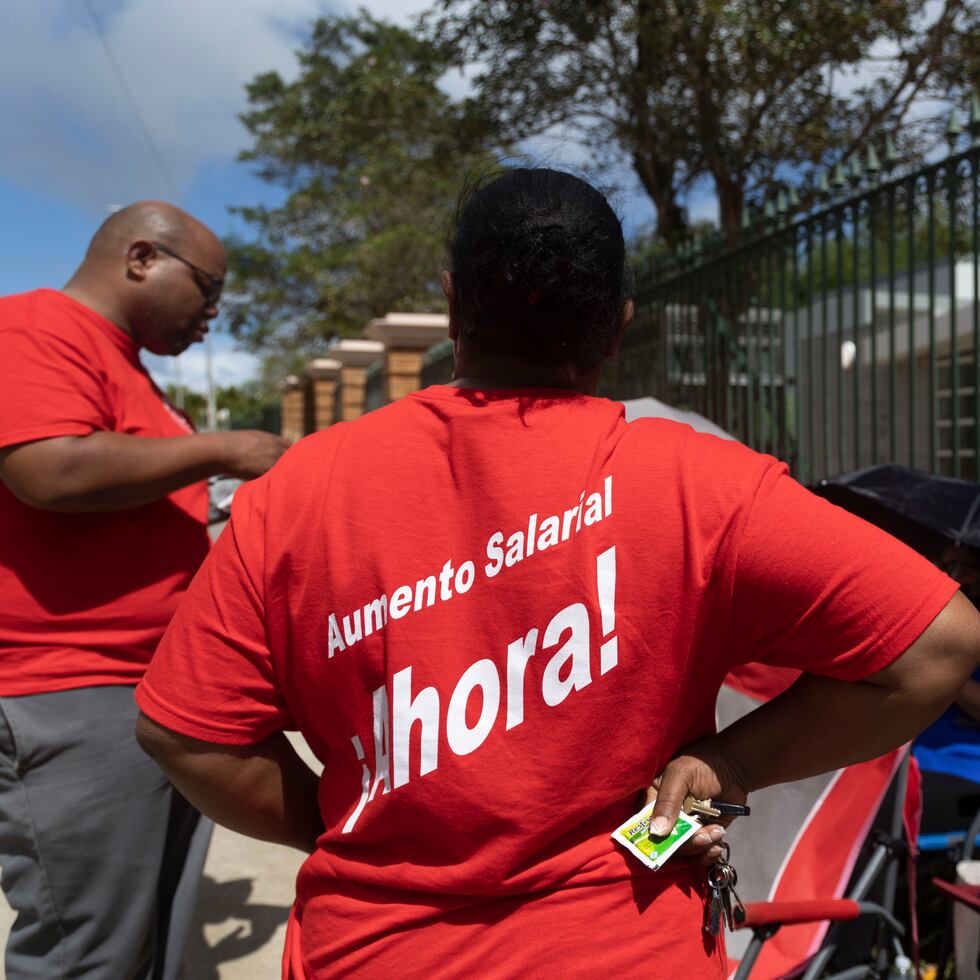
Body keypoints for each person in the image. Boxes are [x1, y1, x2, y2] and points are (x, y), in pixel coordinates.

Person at [134, 170, 980, 978]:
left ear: (453, 302)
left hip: (373, 950)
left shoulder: (299, 493)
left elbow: (184, 733)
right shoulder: (705, 486)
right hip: (629, 950)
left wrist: (343, 817)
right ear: (618, 324)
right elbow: (939, 648)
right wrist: (735, 763)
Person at [0, 202, 288, 979]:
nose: (213, 315)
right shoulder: (34, 327)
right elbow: (46, 469)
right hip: (71, 692)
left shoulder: (131, 374)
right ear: (140, 258)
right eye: (209, 288)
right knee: (86, 950)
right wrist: (227, 449)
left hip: (147, 692)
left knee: (146, 938)